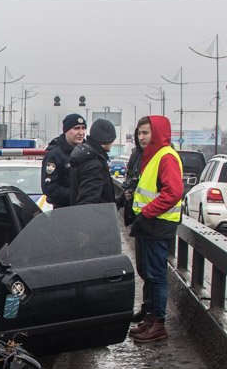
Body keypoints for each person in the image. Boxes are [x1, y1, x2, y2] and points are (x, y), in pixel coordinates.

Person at [128, 115, 183, 344]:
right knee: (148, 274)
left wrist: (147, 213)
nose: (141, 137)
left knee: (157, 275)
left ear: (158, 133)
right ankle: (151, 317)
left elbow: (173, 192)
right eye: (139, 133)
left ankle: (158, 323)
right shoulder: (151, 156)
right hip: (149, 224)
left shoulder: (166, 156)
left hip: (157, 224)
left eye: (146, 133)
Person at [41, 113, 87, 208]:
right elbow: (49, 188)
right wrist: (79, 194)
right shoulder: (55, 155)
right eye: (76, 128)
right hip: (64, 211)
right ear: (66, 131)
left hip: (87, 208)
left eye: (83, 128)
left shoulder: (88, 151)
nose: (81, 132)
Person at [68, 118, 118, 205]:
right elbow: (87, 202)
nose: (113, 142)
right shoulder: (94, 165)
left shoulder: (84, 157)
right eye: (112, 139)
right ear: (106, 139)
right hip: (97, 217)